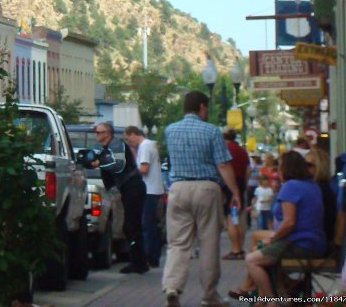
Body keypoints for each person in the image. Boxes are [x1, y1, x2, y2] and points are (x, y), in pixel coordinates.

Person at [161, 90, 241, 307]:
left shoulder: (170, 130)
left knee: (178, 243)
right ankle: (209, 295)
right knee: (208, 243)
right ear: (202, 107)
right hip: (207, 188)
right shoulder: (212, 131)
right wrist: (235, 192)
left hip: (177, 188)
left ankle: (172, 287)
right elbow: (223, 165)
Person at [242, 150, 326, 307]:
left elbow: (289, 223)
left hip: (300, 242)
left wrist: (272, 239)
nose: (276, 170)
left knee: (252, 260)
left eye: (279, 166)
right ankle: (278, 295)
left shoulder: (290, 187)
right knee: (257, 247)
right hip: (315, 241)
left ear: (286, 168)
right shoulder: (311, 185)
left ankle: (270, 300)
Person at [82, 121, 148, 274]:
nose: (96, 135)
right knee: (131, 227)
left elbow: (117, 164)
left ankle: (139, 263)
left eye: (99, 132)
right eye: (96, 133)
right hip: (128, 189)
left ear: (107, 134)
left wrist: (99, 163)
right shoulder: (105, 149)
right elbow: (108, 176)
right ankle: (139, 261)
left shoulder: (117, 144)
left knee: (131, 226)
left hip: (133, 187)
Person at [124, 125, 165, 268]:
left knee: (146, 225)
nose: (129, 143)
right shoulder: (150, 145)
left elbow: (144, 168)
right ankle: (153, 254)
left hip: (148, 189)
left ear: (134, 134)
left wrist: (129, 172)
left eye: (129, 139)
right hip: (154, 189)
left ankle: (150, 255)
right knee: (151, 224)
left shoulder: (144, 146)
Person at [222, 129, 250, 260]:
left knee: (231, 218)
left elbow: (222, 167)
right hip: (240, 183)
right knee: (238, 217)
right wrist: (243, 185)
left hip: (228, 185)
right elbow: (248, 170)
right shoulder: (242, 151)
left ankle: (236, 249)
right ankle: (240, 247)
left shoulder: (223, 149)